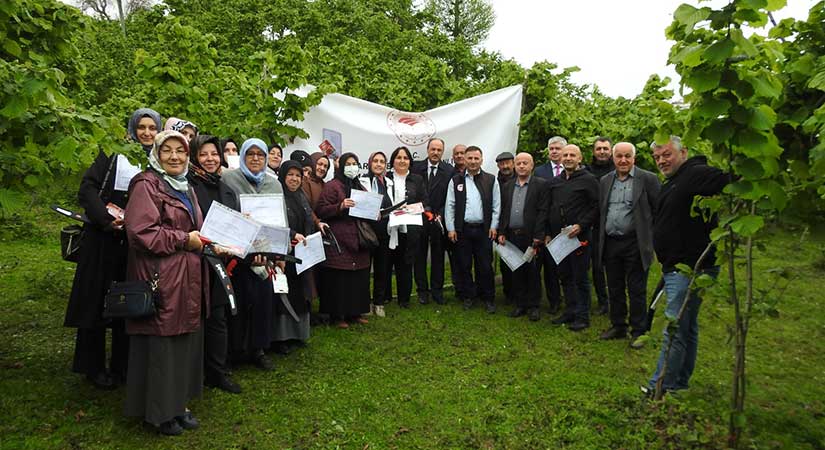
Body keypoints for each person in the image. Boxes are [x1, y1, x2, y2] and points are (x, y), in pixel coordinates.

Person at [64, 108, 161, 390]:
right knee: (95, 301)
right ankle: (92, 366)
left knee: (128, 300)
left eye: (152, 128)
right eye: (141, 127)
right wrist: (107, 220)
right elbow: (87, 189)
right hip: (103, 238)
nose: (146, 133)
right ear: (132, 129)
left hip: (134, 243)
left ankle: (123, 365)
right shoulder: (111, 154)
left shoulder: (157, 161)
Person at [123, 130, 208, 436]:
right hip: (161, 276)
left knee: (184, 341)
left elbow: (196, 228)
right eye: (167, 150)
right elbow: (140, 232)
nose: (174, 156)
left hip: (187, 275)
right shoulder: (146, 184)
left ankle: (178, 404)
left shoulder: (186, 186)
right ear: (156, 154)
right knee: (162, 345)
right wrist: (184, 239)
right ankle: (159, 413)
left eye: (180, 151)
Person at [645, 136, 728, 395]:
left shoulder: (695, 173)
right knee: (687, 326)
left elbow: (728, 180)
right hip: (679, 266)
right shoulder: (676, 180)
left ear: (684, 152)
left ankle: (660, 387)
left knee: (675, 329)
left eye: (666, 154)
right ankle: (678, 383)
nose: (661, 161)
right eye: (657, 157)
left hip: (690, 268)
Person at [221, 138, 286, 371]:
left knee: (262, 302)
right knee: (238, 302)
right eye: (251, 154)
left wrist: (280, 253)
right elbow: (225, 213)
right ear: (243, 156)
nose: (256, 158)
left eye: (260, 154)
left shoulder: (274, 184)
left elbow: (281, 220)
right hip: (237, 253)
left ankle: (258, 349)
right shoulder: (229, 179)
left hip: (265, 253)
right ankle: (235, 350)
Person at [185, 134, 242, 394]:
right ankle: (192, 372)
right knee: (195, 318)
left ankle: (217, 372)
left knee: (218, 317)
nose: (210, 159)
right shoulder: (187, 186)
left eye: (214, 154)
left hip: (221, 262)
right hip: (195, 261)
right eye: (204, 154)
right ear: (195, 157)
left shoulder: (226, 188)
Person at [596, 142, 660, 347]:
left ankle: (639, 330)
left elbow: (658, 211)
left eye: (627, 156)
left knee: (636, 288)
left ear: (634, 158)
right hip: (611, 243)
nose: (623, 160)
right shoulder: (605, 180)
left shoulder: (648, 179)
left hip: (635, 243)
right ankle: (618, 325)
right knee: (614, 287)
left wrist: (653, 239)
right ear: (613, 158)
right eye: (619, 156)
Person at [315, 153, 372, 328]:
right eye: (348, 164)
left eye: (355, 163)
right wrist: (340, 206)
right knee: (340, 279)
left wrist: (374, 212)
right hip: (339, 240)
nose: (352, 167)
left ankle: (355, 312)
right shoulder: (332, 186)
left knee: (358, 278)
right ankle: (337, 315)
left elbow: (368, 210)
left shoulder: (361, 187)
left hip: (358, 240)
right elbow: (321, 210)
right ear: (341, 167)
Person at [547, 144, 599, 331]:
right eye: (565, 155)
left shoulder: (589, 180)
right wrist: (548, 233)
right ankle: (570, 311)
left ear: (579, 159)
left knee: (580, 277)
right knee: (565, 275)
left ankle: (583, 316)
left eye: (572, 155)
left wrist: (581, 225)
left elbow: (596, 207)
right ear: (561, 158)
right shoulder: (555, 182)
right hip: (559, 239)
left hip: (579, 238)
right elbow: (550, 207)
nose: (568, 158)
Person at [445, 145, 501, 313]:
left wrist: (494, 226)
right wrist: (451, 228)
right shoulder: (456, 180)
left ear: (481, 160)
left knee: (485, 266)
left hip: (484, 230)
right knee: (464, 265)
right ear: (464, 159)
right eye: (470, 158)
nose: (473, 161)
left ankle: (488, 298)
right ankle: (469, 296)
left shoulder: (491, 180)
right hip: (463, 230)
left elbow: (496, 206)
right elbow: (450, 206)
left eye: (476, 158)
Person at [497, 153, 548, 321]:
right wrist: (502, 232)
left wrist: (539, 235)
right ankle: (520, 304)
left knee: (532, 271)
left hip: (531, 236)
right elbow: (504, 211)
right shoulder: (507, 186)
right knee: (516, 270)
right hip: (512, 235)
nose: (521, 166)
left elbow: (543, 211)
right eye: (518, 163)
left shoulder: (541, 185)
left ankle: (533, 306)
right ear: (514, 165)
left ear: (532, 166)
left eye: (525, 163)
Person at [272, 160, 315, 353]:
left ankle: (298, 333)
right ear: (283, 176)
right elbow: (274, 223)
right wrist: (291, 235)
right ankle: (281, 338)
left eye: (298, 175)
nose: (294, 179)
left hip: (301, 253)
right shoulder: (277, 197)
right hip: (284, 253)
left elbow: (309, 219)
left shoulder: (301, 196)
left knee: (299, 293)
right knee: (284, 294)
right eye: (290, 174)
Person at [411, 138, 453, 305]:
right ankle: (422, 291)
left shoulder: (449, 171)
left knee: (438, 257)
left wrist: (440, 214)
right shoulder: (416, 168)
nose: (435, 152)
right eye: (433, 149)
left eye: (439, 150)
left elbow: (450, 197)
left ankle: (437, 291)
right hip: (419, 218)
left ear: (442, 152)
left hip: (438, 220)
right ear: (427, 149)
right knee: (419, 257)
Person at [385, 146, 427, 308]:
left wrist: (412, 208)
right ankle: (386, 297)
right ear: (393, 161)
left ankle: (404, 299)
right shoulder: (386, 177)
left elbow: (425, 202)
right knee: (386, 264)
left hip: (409, 230)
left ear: (410, 161)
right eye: (399, 157)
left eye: (405, 158)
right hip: (388, 229)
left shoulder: (417, 179)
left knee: (406, 265)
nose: (402, 161)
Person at [533, 136, 567, 313]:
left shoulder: (573, 170)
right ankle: (552, 301)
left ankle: (568, 299)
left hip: (567, 225)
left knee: (566, 267)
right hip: (546, 224)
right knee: (548, 266)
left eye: (557, 148)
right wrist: (544, 231)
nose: (554, 151)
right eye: (551, 148)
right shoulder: (540, 171)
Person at [360, 152, 393, 316]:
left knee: (382, 269)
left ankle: (379, 302)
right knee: (365, 269)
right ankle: (364, 303)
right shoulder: (361, 181)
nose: (378, 164)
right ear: (370, 163)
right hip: (367, 232)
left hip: (384, 232)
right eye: (375, 161)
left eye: (382, 161)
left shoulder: (389, 183)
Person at [588, 137, 614, 315]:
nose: (602, 152)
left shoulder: (617, 170)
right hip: (594, 226)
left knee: (613, 266)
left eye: (605, 148)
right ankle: (603, 301)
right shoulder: (587, 171)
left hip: (612, 225)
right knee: (597, 266)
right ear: (594, 151)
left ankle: (615, 299)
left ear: (610, 151)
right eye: (599, 149)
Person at [495, 151, 516, 304]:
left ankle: (522, 292)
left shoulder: (521, 179)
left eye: (507, 163)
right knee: (505, 262)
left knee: (521, 261)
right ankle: (509, 293)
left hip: (518, 226)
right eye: (502, 164)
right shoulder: (495, 182)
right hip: (502, 228)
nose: (505, 166)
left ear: (513, 163)